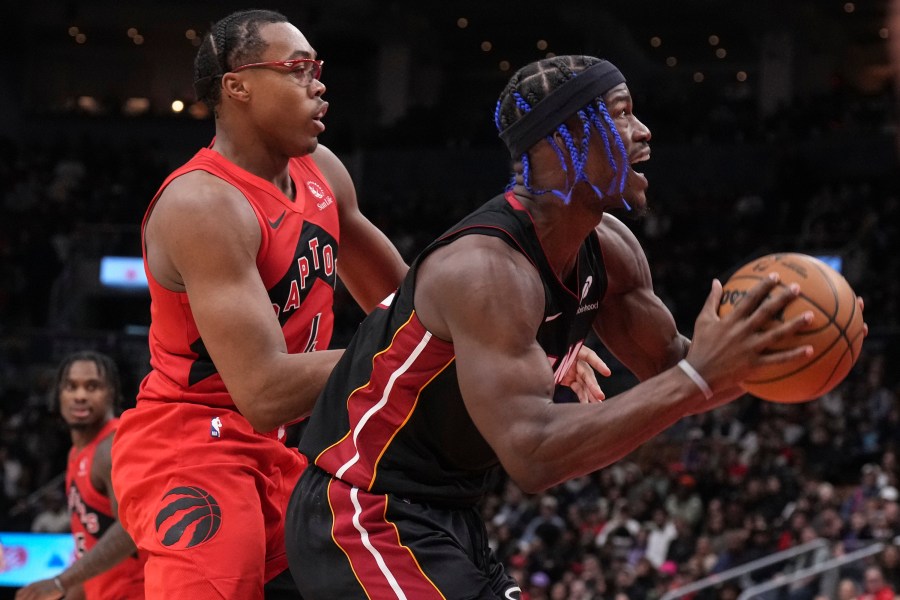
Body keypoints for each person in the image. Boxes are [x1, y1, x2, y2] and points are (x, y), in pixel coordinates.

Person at [284, 54, 867, 599]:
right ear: (557, 147)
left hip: (445, 511)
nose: (644, 132)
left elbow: (673, 367)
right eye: (620, 115)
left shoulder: (609, 249)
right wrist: (698, 374)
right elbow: (534, 456)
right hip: (360, 510)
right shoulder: (484, 270)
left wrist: (776, 350)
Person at [108, 9, 410, 599]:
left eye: (316, 69)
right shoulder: (202, 203)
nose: (318, 84)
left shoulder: (321, 171)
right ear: (237, 84)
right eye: (298, 69)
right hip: (191, 447)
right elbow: (264, 389)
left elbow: (406, 305)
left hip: (278, 450)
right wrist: (418, 346)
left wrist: (511, 343)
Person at [17, 351, 146, 600]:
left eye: (92, 386)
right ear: (58, 395)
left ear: (112, 393)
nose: (80, 396)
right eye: (71, 386)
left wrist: (59, 581)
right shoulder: (77, 453)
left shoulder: (112, 447)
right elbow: (87, 547)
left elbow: (131, 528)